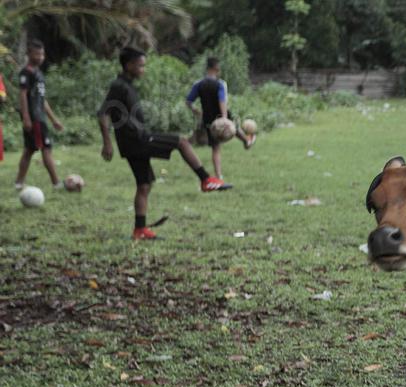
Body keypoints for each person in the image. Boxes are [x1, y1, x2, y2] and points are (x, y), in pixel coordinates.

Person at [97, 47, 230, 241]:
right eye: (141, 65)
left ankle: (139, 230)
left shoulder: (127, 85)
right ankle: (206, 180)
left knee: (144, 184)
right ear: (129, 65)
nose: (144, 69)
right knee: (181, 141)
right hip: (136, 140)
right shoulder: (119, 86)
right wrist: (107, 143)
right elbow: (103, 114)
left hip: (132, 142)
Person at [185, 57, 254, 181]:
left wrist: (196, 111)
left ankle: (218, 176)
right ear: (216, 69)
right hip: (221, 116)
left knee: (215, 147)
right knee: (234, 128)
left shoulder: (198, 84)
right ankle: (246, 141)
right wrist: (224, 118)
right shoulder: (220, 84)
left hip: (208, 119)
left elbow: (188, 102)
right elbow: (222, 101)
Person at [14, 40, 64, 191]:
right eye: (37, 54)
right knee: (46, 148)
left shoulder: (39, 74)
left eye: (42, 54)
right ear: (29, 54)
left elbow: (42, 100)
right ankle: (56, 183)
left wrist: (53, 119)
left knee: (29, 150)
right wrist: (26, 117)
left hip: (40, 117)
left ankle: (18, 183)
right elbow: (22, 95)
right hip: (34, 118)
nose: (40, 57)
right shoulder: (26, 73)